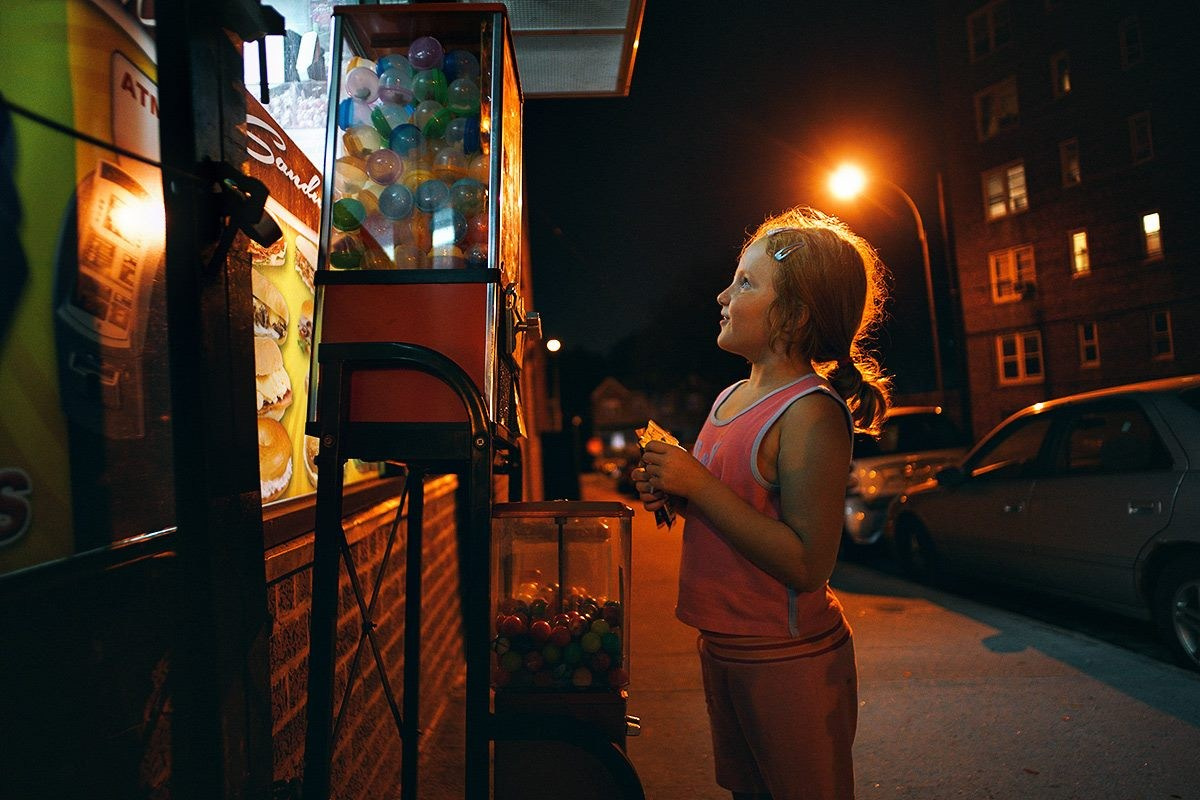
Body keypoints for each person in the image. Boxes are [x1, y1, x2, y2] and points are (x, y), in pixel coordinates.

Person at [632, 206, 890, 800]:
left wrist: (699, 486)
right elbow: (730, 509)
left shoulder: (811, 412)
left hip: (788, 657)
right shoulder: (730, 396)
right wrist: (673, 493)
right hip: (723, 644)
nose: (723, 294)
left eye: (746, 283)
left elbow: (807, 563)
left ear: (793, 316)